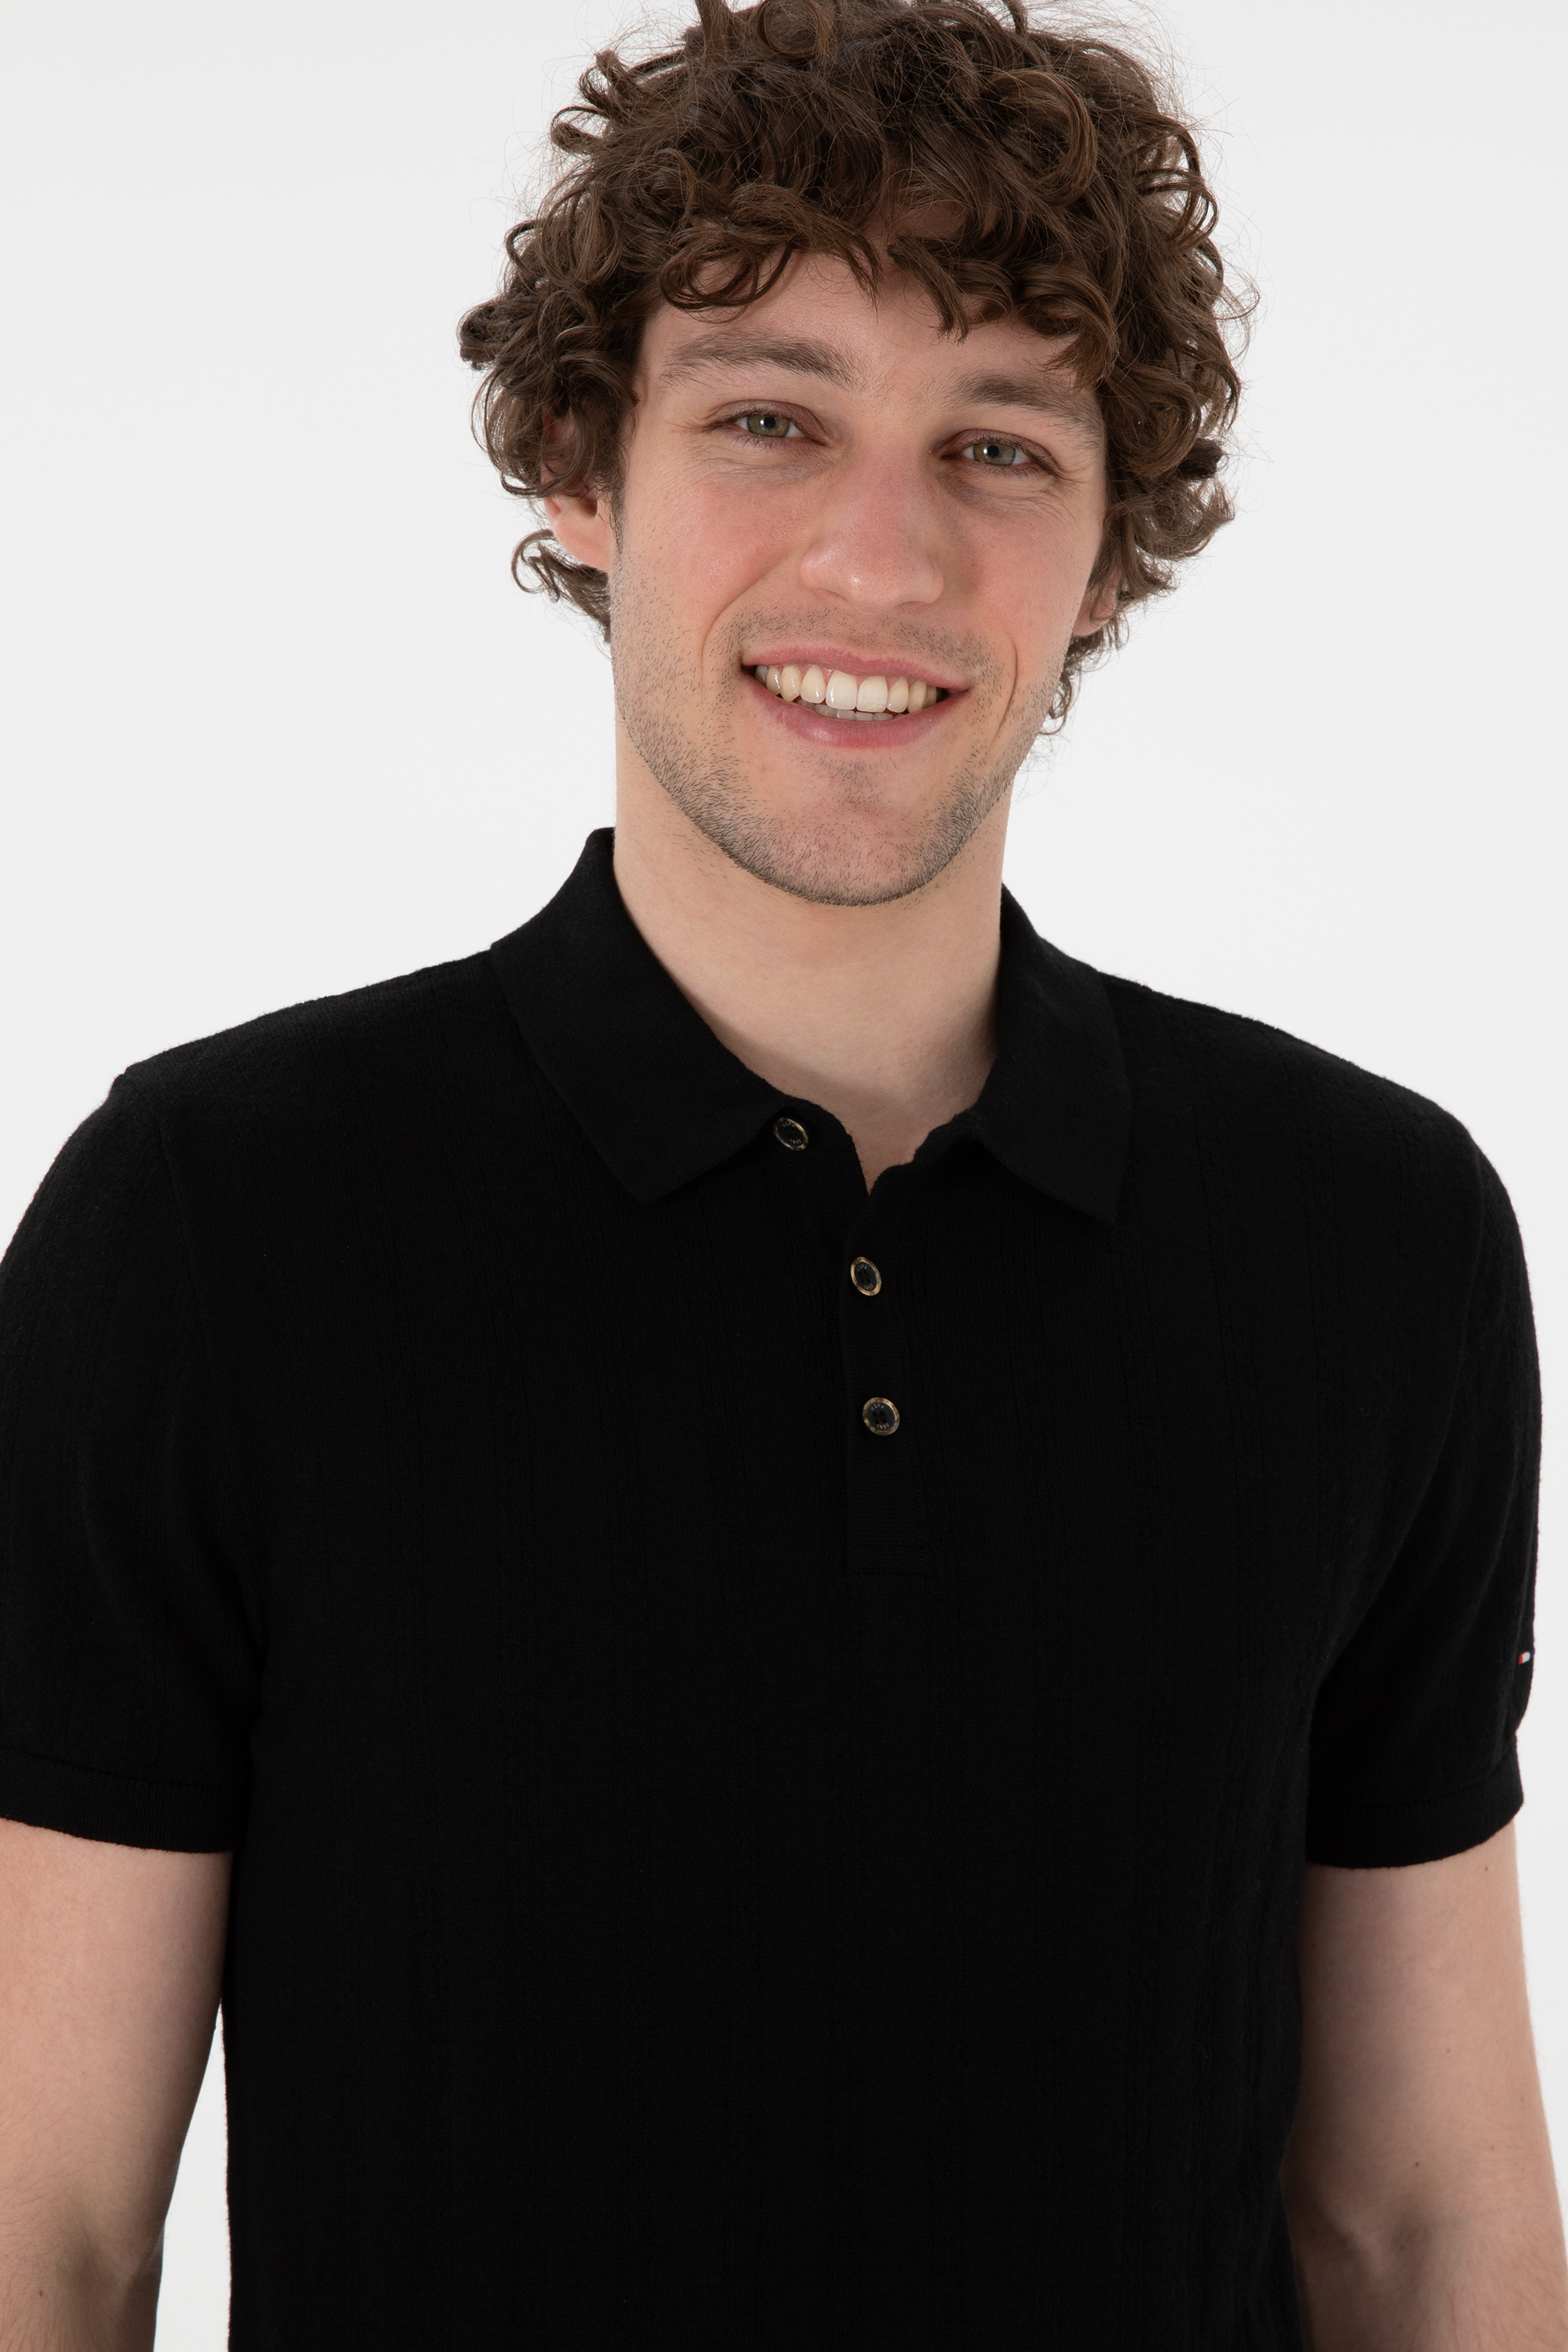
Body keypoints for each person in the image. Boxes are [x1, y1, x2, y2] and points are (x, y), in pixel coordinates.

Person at [0, 0, 1562, 2343]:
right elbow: (47, 2223)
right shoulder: (212, 1223)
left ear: (1106, 553)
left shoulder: (1368, 1240)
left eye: (999, 444)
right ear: (579, 470)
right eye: (769, 418)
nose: (882, 556)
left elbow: (1422, 2226)